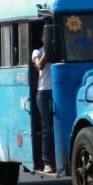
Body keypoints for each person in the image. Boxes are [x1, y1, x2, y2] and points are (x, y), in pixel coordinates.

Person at [32, 38, 53, 173]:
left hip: (56, 91)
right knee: (47, 127)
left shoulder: (58, 49)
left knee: (57, 127)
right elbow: (39, 66)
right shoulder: (37, 52)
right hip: (43, 92)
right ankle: (47, 162)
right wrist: (47, 52)